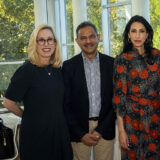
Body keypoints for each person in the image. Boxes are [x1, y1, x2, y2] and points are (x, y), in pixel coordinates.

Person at [3, 25, 73, 160]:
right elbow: (8, 102)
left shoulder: (57, 70)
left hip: (59, 133)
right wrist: (29, 116)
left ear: (55, 43)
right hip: (36, 135)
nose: (46, 44)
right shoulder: (26, 70)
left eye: (50, 39)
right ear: (35, 44)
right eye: (41, 40)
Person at [113, 15, 160, 159]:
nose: (138, 35)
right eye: (134, 31)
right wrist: (121, 131)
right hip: (132, 119)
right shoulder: (121, 59)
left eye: (142, 31)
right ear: (128, 35)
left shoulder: (158, 56)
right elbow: (119, 98)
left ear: (147, 34)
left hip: (156, 116)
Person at [62, 21, 115, 160]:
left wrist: (101, 130)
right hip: (78, 129)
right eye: (83, 38)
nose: (88, 41)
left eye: (91, 36)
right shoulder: (68, 67)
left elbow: (116, 101)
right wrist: (80, 133)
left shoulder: (112, 64)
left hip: (105, 127)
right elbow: (65, 104)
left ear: (98, 38)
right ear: (77, 41)